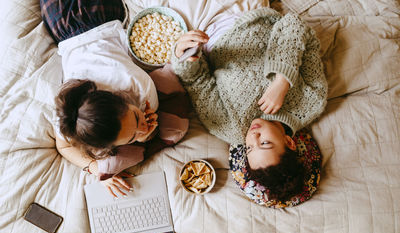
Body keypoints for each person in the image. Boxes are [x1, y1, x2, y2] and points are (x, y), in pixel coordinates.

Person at [171, 7, 328, 204]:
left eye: (250, 149)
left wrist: (183, 55)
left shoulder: (227, 127)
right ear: (289, 142)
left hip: (207, 29)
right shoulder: (311, 101)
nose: (253, 137)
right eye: (264, 143)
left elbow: (196, 81)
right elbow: (294, 24)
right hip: (251, 10)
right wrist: (282, 80)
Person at [40, 0, 189, 197]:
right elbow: (64, 146)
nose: (143, 127)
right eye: (132, 136)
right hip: (74, 31)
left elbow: (64, 146)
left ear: (124, 99)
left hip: (84, 20)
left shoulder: (139, 86)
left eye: (137, 118)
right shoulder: (73, 120)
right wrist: (94, 168)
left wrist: (145, 136)